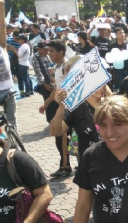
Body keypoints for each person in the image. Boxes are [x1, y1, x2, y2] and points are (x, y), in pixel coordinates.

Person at [39, 39, 72, 178]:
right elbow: (57, 89)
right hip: (62, 106)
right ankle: (66, 165)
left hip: (70, 108)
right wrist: (46, 103)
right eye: (48, 51)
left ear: (61, 52)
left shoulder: (67, 66)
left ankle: (65, 167)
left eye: (52, 51)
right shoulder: (58, 67)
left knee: (63, 137)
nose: (49, 53)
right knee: (61, 137)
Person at [109, 28, 128, 92]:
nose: (122, 34)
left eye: (123, 32)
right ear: (116, 35)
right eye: (120, 33)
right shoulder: (112, 45)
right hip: (119, 70)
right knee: (120, 88)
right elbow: (109, 56)